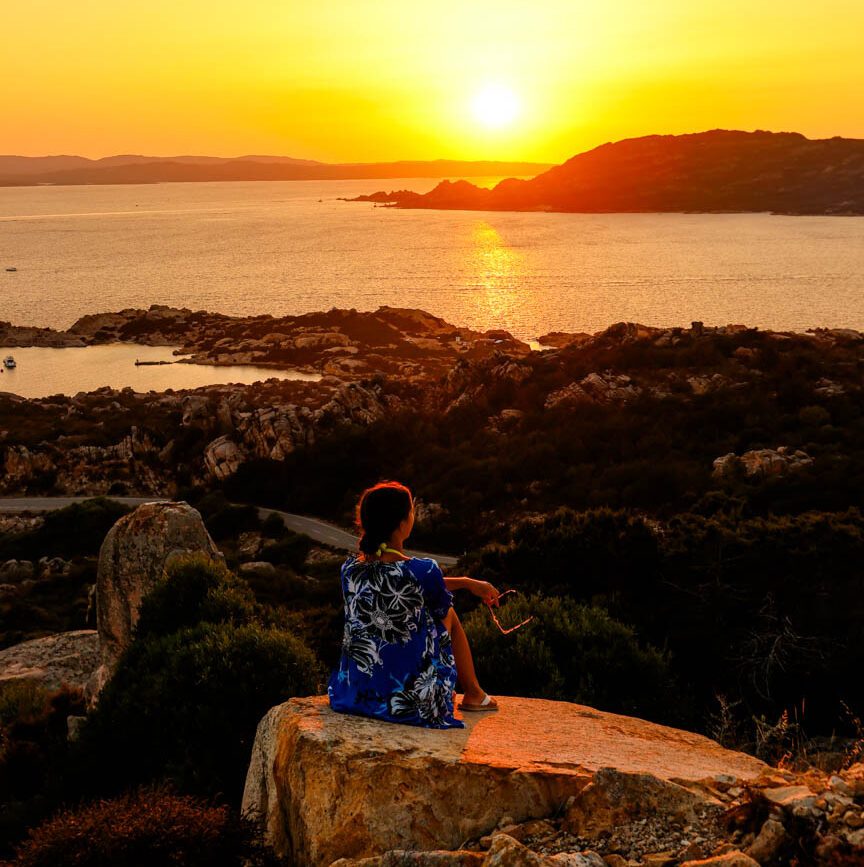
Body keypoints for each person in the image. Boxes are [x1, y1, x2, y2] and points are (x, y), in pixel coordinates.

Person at [328, 480, 500, 728]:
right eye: (410, 511)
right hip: (407, 705)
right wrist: (468, 584)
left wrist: (465, 581)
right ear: (402, 523)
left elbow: (399, 580)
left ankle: (463, 692)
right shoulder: (425, 569)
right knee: (448, 613)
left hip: (355, 695)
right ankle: (474, 693)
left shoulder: (350, 569)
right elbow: (424, 584)